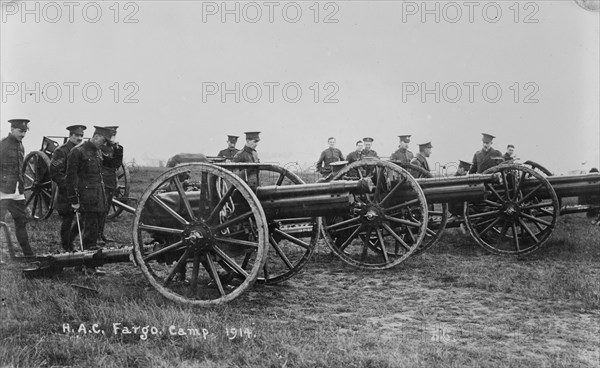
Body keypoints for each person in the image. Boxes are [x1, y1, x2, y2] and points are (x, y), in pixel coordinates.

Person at [66, 126, 114, 251]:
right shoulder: (78, 151)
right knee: (91, 231)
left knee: (90, 226)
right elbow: (71, 178)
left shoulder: (98, 151)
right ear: (96, 136)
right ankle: (88, 265)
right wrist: (74, 200)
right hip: (86, 197)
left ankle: (69, 243)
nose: (104, 144)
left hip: (98, 197)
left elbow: (114, 164)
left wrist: (117, 148)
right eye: (103, 141)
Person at [0, 119, 34, 257]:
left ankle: (28, 253)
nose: (23, 134)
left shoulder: (21, 146)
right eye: (21, 131)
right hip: (2, 192)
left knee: (21, 221)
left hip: (17, 192)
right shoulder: (3, 145)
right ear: (12, 129)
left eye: (25, 131)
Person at [50, 124, 86, 252]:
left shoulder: (82, 150)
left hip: (80, 191)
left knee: (84, 218)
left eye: (81, 135)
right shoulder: (62, 151)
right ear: (70, 136)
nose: (79, 138)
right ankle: (67, 246)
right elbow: (55, 172)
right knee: (68, 219)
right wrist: (69, 186)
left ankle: (70, 240)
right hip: (65, 192)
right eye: (76, 135)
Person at [97, 126, 124, 245]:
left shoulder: (113, 148)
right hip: (100, 181)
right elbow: (108, 162)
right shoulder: (98, 148)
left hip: (110, 182)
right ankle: (95, 236)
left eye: (114, 135)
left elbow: (117, 164)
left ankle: (100, 234)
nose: (113, 138)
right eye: (111, 135)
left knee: (105, 210)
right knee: (99, 209)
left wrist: (117, 148)